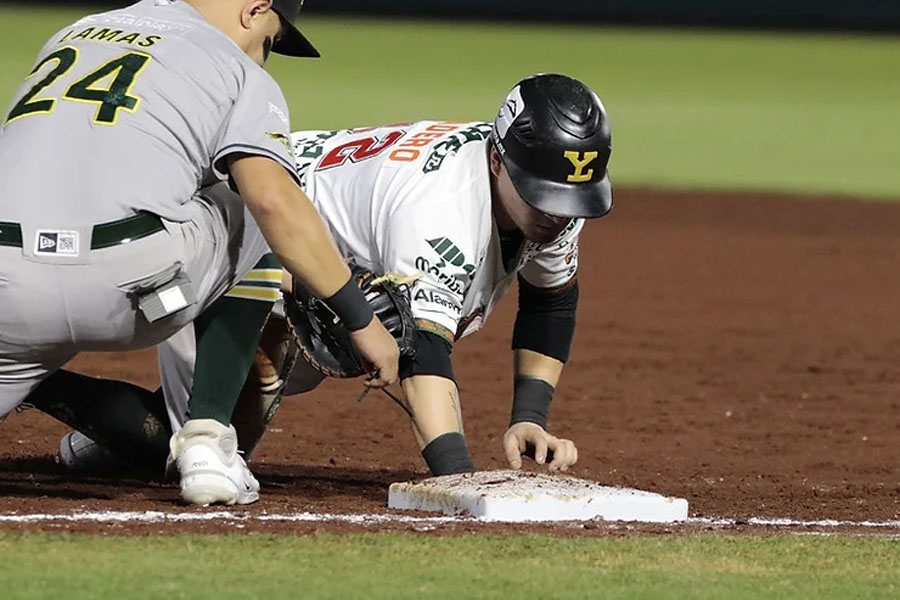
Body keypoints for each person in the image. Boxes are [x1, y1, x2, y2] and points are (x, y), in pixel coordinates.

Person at [34, 73, 612, 479]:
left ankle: (102, 442)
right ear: (496, 158)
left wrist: (529, 419)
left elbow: (550, 303)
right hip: (232, 225)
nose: (557, 212)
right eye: (545, 195)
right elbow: (421, 355)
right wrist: (458, 478)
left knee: (198, 435)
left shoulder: (550, 203)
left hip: (311, 281)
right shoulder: (442, 206)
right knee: (195, 448)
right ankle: (24, 370)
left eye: (571, 198)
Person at [0, 0, 399, 507]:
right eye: (272, 41)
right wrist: (359, 319)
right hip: (134, 287)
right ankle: (208, 441)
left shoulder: (76, 31)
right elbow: (274, 203)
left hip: (8, 293)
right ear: (256, 10)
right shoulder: (236, 68)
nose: (265, 56)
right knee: (253, 198)